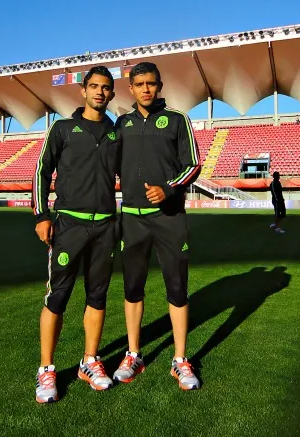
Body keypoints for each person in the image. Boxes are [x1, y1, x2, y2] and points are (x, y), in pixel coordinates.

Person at [31, 66, 119, 404]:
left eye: (105, 88)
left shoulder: (116, 132)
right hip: (69, 225)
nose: (99, 92)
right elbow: (42, 170)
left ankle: (89, 361)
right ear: (83, 91)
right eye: (94, 86)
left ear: (111, 94)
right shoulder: (63, 128)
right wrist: (42, 215)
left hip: (105, 227)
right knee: (57, 298)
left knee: (97, 296)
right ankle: (46, 369)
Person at [113, 62, 202, 390]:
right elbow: (107, 164)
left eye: (151, 83)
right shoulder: (121, 124)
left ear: (159, 85)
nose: (146, 89)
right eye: (140, 84)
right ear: (131, 89)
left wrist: (169, 187)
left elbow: (193, 164)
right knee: (132, 288)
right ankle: (133, 353)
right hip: (132, 218)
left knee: (177, 288)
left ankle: (180, 360)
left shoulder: (178, 120)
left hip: (169, 218)